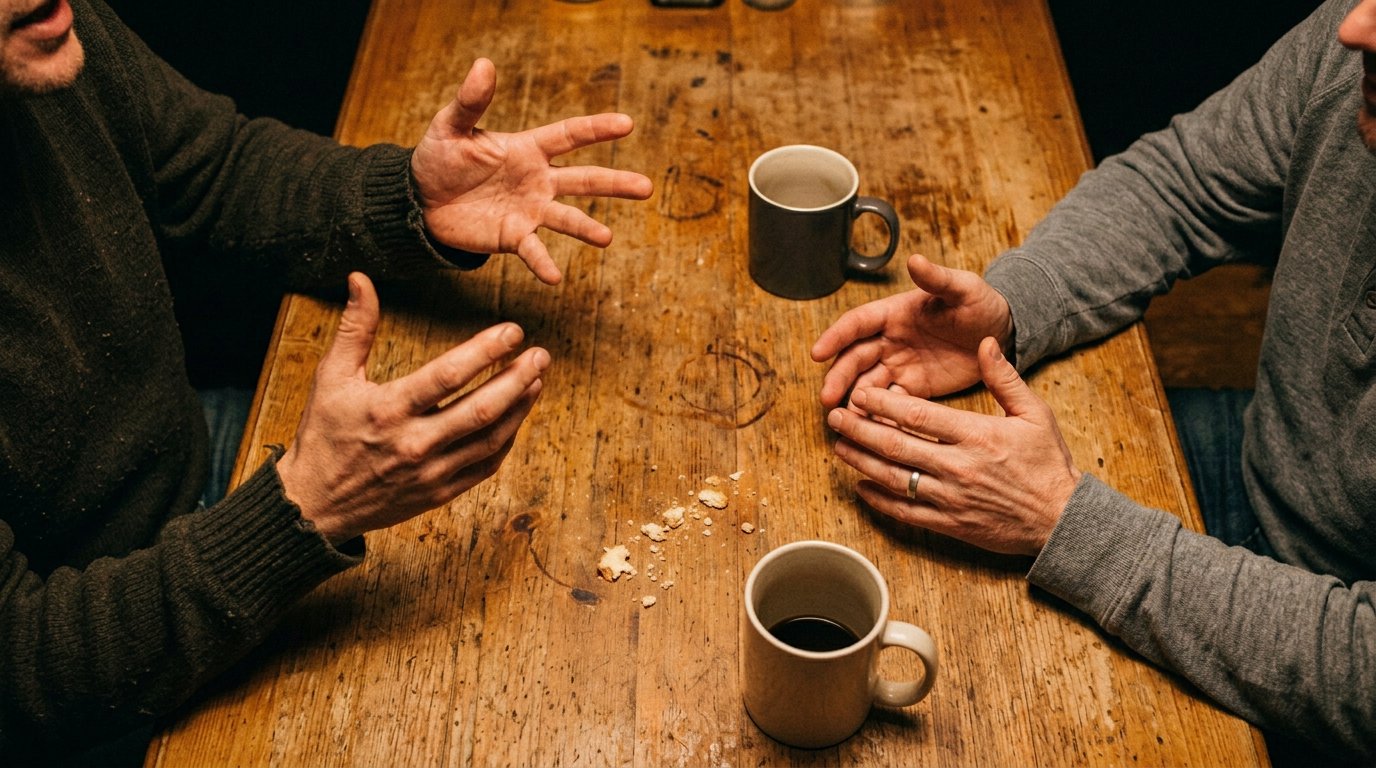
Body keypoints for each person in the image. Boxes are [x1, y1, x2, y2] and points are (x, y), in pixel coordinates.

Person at [0, 0, 652, 760]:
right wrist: (304, 506)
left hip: (199, 468)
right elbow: (25, 673)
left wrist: (409, 198)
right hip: (103, 677)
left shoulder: (43, 28)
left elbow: (214, 167)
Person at [812, 0, 1375, 761]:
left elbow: (1360, 672)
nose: (1356, 28)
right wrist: (1016, 309)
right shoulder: (1358, 51)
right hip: (1262, 468)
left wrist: (1064, 523)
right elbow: (1185, 180)